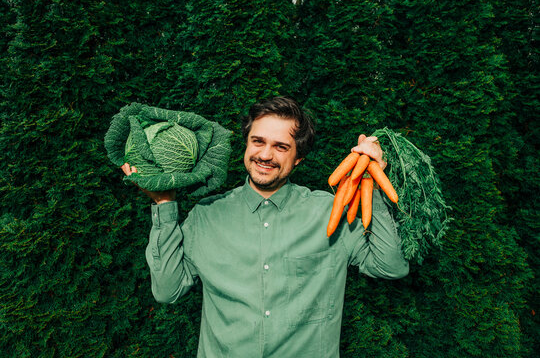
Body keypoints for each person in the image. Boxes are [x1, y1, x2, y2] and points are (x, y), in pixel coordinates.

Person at [121, 96, 409, 357]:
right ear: (247, 144)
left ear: (298, 159)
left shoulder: (329, 213)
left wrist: (374, 179)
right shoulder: (206, 216)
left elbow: (391, 266)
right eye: (258, 141)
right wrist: (163, 202)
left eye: (281, 146)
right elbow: (167, 291)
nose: (265, 155)